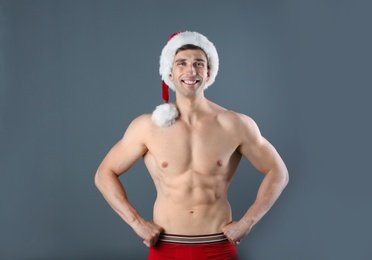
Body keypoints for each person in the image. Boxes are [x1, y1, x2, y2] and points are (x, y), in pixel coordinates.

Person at [95, 31, 289, 260]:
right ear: (170, 72)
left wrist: (248, 222)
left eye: (199, 63)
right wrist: (137, 223)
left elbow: (279, 172)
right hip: (167, 248)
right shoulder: (148, 126)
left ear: (208, 73)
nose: (191, 71)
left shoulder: (234, 124)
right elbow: (103, 174)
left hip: (217, 247)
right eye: (182, 63)